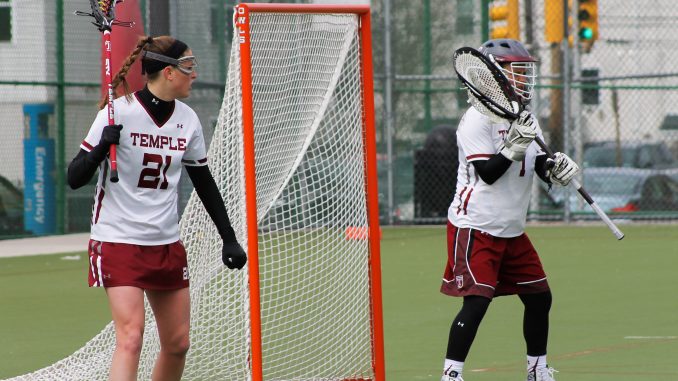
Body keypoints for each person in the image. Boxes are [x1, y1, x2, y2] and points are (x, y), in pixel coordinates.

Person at [67, 35, 247, 381]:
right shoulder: (118, 113)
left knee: (177, 343)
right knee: (131, 338)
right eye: (188, 66)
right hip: (118, 240)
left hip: (165, 244)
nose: (194, 74)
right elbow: (75, 177)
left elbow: (204, 183)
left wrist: (229, 237)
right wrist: (101, 148)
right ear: (168, 72)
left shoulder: (188, 120)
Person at [440, 39, 579, 381]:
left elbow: (534, 161)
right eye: (516, 71)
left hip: (511, 228)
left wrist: (555, 167)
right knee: (477, 302)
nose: (522, 78)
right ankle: (451, 375)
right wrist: (512, 147)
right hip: (476, 226)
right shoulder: (476, 119)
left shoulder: (525, 116)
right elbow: (487, 173)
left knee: (539, 297)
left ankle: (537, 370)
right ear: (494, 74)